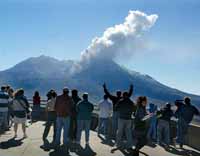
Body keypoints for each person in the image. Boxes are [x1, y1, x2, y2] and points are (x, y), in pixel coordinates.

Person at [54, 87, 74, 152]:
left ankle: (57, 142)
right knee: (66, 130)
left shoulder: (58, 97)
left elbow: (55, 107)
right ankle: (65, 142)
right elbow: (72, 106)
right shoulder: (70, 98)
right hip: (66, 116)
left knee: (58, 130)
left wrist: (58, 112)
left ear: (63, 91)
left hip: (59, 116)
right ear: (68, 92)